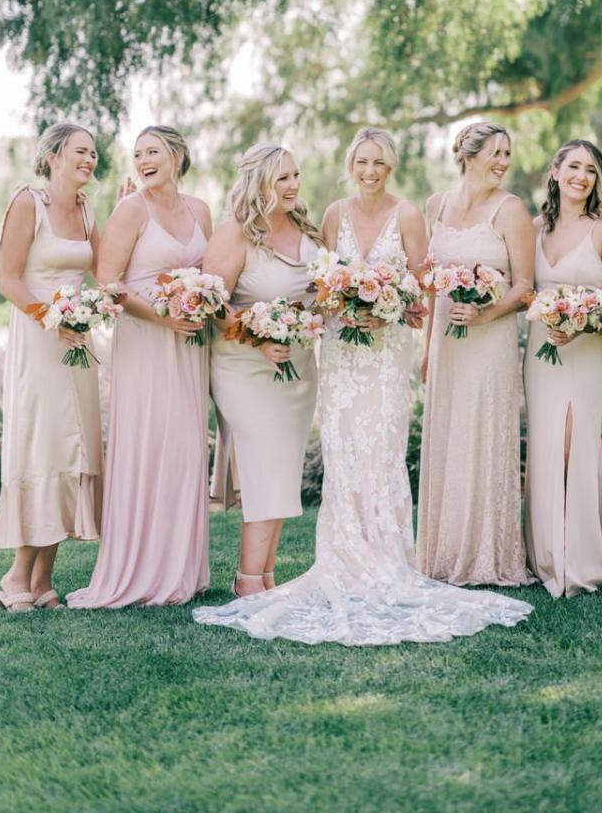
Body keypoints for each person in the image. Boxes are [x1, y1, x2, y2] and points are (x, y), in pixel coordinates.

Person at [194, 128, 533, 642]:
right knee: (345, 451)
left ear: (391, 166)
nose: (370, 170)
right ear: (350, 164)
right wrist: (346, 307)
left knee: (382, 451)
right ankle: (339, 558)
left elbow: (422, 284)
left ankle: (387, 560)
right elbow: (323, 286)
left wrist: (389, 309)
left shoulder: (409, 215)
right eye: (362, 161)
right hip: (341, 354)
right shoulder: (332, 215)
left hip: (386, 353)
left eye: (379, 162)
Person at [67, 126, 212, 608]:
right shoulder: (131, 209)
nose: (143, 161)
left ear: (177, 156)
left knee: (186, 448)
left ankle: (179, 569)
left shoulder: (201, 211)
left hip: (190, 346)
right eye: (137, 154)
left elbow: (210, 275)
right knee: (149, 444)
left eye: (153, 152)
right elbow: (108, 280)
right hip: (147, 341)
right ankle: (138, 570)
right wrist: (163, 315)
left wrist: (200, 305)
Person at [194, 144, 321, 601]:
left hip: (297, 365)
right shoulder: (235, 234)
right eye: (282, 177)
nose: (293, 185)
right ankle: (249, 580)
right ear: (259, 182)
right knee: (265, 463)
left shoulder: (308, 229)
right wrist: (259, 335)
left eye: (295, 175)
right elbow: (213, 302)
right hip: (243, 366)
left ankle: (266, 577)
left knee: (282, 468)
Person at [417, 121, 535, 587]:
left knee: (482, 434)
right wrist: (428, 345)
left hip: (490, 342)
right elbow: (430, 285)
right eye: (496, 152)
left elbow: (525, 286)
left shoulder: (511, 210)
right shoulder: (436, 205)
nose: (504, 162)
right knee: (448, 436)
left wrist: (487, 314)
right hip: (448, 342)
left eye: (508, 153)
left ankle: (487, 554)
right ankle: (442, 552)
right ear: (468, 154)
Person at [0, 123, 102, 611]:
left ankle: (43, 580)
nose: (89, 160)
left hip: (79, 343)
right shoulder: (26, 203)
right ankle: (15, 577)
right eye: (80, 151)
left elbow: (107, 268)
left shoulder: (87, 209)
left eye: (94, 154)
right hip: (40, 342)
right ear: (54, 155)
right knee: (42, 445)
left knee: (72, 446)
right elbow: (9, 281)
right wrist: (51, 320)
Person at [524, 140, 602, 597]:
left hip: (586, 353)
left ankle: (580, 559)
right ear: (555, 172)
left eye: (590, 170)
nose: (580, 177)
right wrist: (548, 316)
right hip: (541, 353)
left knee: (574, 444)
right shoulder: (534, 229)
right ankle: (544, 555)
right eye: (573, 167)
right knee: (546, 445)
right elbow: (525, 290)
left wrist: (583, 322)